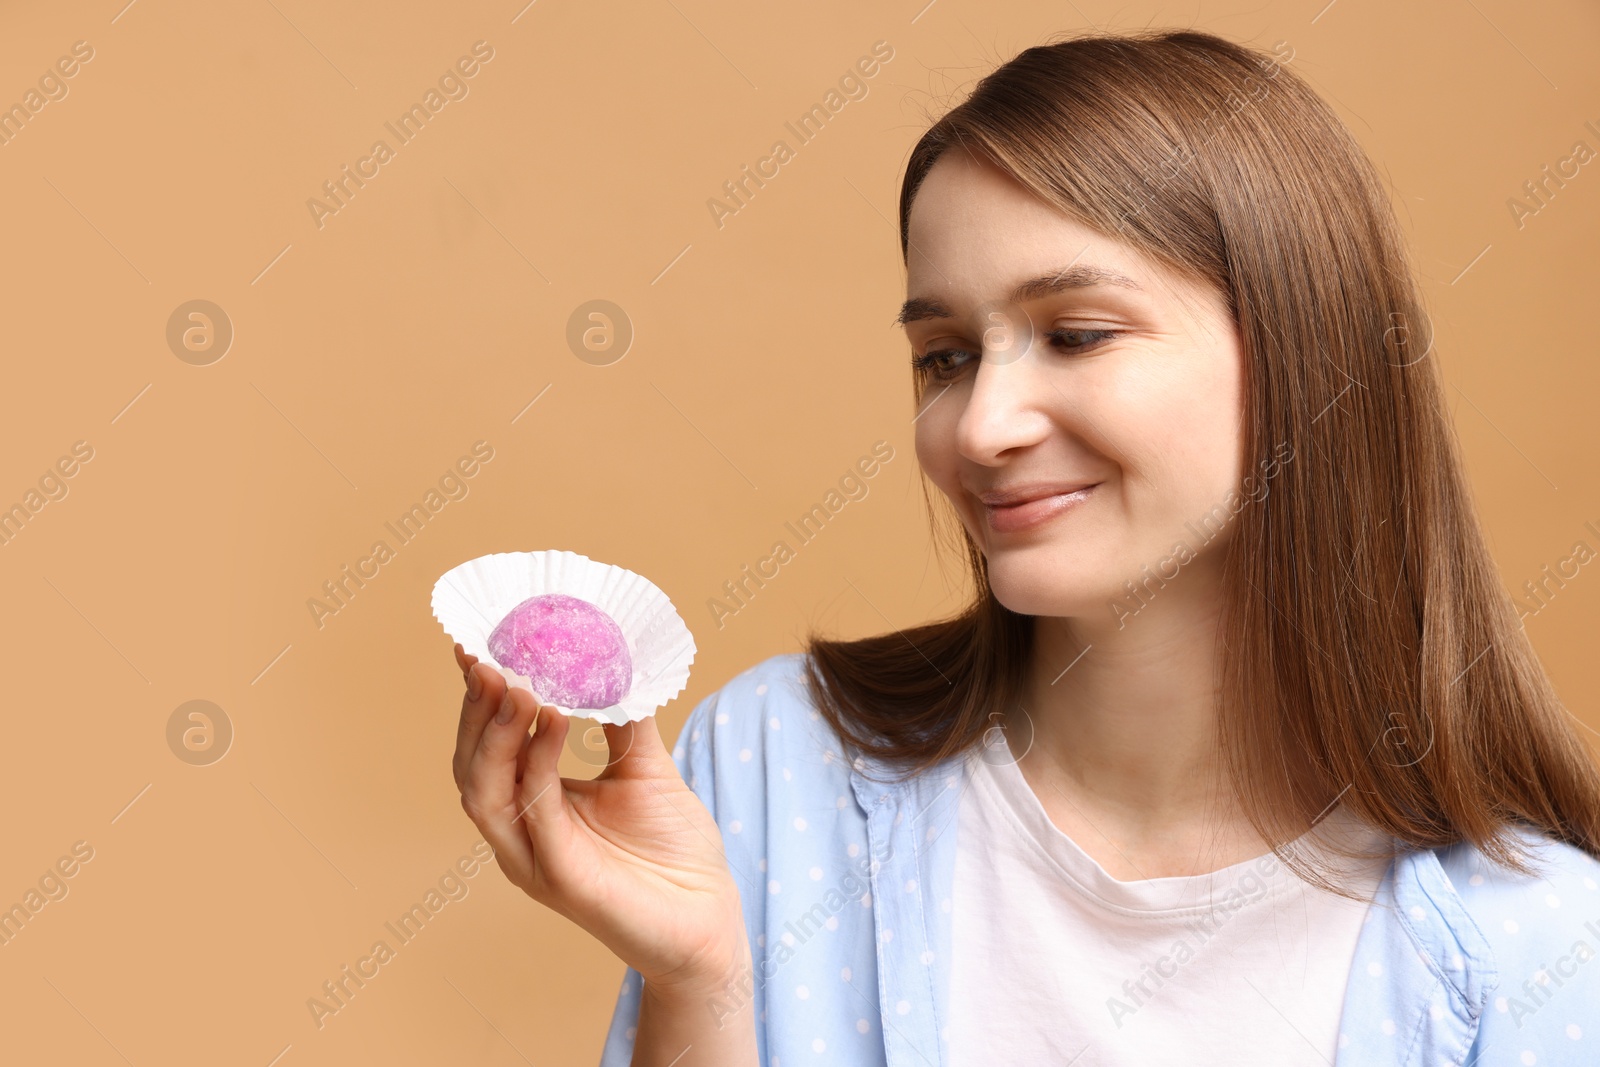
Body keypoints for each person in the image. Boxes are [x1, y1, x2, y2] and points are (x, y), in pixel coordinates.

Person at [451, 28, 1600, 1067]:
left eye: (1076, 333)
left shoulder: (1540, 946)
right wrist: (699, 977)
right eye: (946, 356)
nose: (981, 427)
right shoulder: (773, 763)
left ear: (1304, 355)